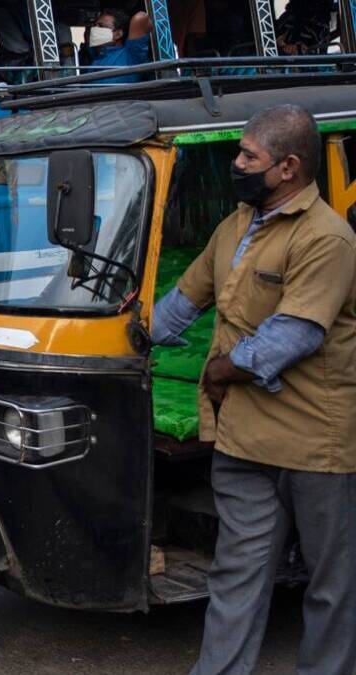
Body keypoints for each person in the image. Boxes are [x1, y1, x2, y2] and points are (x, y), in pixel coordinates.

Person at [150, 104, 356, 675]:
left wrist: (219, 371)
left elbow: (294, 335)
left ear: (289, 167)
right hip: (242, 438)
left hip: (315, 445)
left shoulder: (327, 238)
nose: (236, 165)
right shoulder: (235, 226)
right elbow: (182, 304)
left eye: (248, 156)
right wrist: (127, 339)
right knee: (235, 576)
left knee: (331, 584)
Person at [85, 8, 152, 84]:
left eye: (101, 26)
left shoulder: (131, 55)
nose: (94, 29)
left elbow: (141, 18)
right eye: (95, 25)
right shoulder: (96, 56)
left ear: (118, 34)